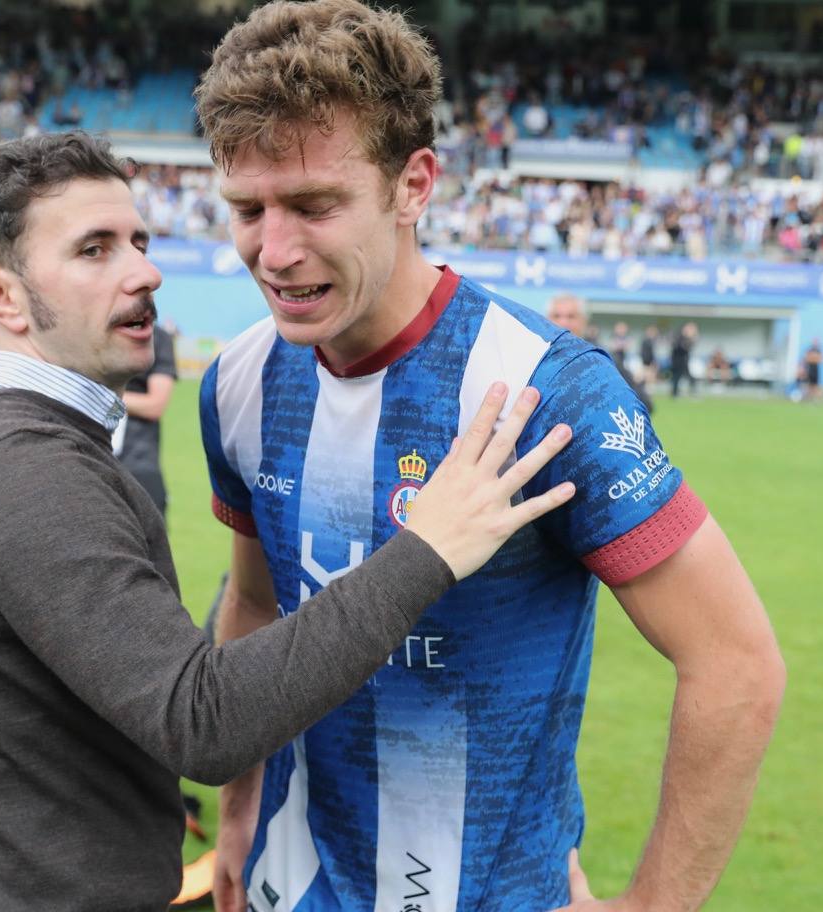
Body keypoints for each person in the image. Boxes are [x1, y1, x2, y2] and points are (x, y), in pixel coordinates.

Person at [0, 130, 577, 912]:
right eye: (94, 250)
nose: (144, 272)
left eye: (139, 241)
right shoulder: (22, 469)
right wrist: (428, 548)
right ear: (2, 297)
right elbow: (201, 720)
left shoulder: (39, 451)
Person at [194, 3, 785, 910]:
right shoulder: (238, 380)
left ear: (414, 185)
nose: (273, 251)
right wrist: (237, 811)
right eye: (247, 209)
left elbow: (737, 664)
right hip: (290, 890)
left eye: (315, 205)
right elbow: (257, 605)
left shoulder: (546, 389)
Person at [113, 321, 178, 515]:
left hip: (139, 462)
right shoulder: (90, 332)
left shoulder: (157, 338)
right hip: (90, 457)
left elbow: (155, 404)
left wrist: (100, 396)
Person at [670, 321, 697, 398]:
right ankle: (674, 393)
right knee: (676, 377)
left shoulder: (686, 338)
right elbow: (679, 348)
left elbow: (688, 348)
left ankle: (692, 391)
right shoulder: (679, 336)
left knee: (688, 377)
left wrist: (692, 338)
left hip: (684, 362)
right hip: (677, 361)